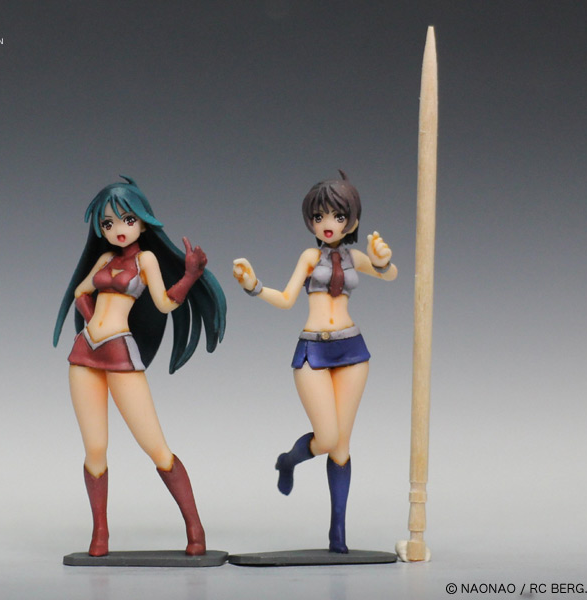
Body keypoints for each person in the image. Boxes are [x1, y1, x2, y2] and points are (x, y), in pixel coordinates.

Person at [53, 176, 226, 556]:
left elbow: (164, 304)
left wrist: (190, 276)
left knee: (155, 446)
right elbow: (82, 291)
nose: (118, 229)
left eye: (128, 220)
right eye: (108, 223)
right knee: (95, 448)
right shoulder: (104, 260)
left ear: (143, 222)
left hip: (119, 354)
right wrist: (90, 319)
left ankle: (194, 527)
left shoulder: (145, 260)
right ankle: (100, 533)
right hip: (85, 353)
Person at [233, 170, 396, 553]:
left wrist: (383, 262)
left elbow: (391, 276)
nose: (328, 224)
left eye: (338, 216)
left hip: (352, 350)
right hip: (314, 350)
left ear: (352, 220)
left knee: (341, 446)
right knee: (326, 437)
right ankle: (288, 460)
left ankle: (338, 534)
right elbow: (287, 299)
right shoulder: (310, 257)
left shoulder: (355, 257)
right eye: (319, 216)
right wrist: (254, 287)